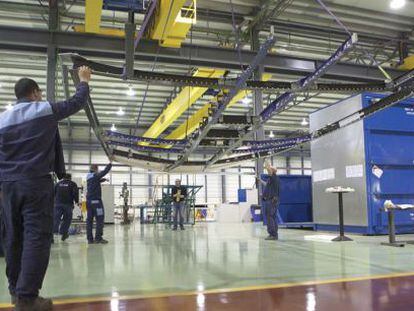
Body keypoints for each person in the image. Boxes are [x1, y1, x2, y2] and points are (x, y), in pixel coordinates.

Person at [0, 66, 91, 309]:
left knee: (13, 238)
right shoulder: (44, 109)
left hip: (7, 186)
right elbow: (77, 102)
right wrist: (83, 80)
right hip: (35, 183)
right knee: (36, 238)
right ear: (34, 93)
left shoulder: (2, 119)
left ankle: (15, 291)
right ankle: (27, 298)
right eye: (39, 94)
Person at [86, 162, 112, 244]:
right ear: (95, 169)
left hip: (89, 202)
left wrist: (103, 180)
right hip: (96, 203)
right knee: (100, 219)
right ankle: (98, 238)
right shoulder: (95, 175)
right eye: (97, 170)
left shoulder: (89, 176)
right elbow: (104, 172)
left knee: (89, 221)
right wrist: (110, 164)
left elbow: (95, 181)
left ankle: (90, 239)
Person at [54, 174, 79, 242]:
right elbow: (75, 193)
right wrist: (77, 201)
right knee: (67, 220)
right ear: (70, 178)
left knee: (56, 219)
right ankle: (63, 233)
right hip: (68, 205)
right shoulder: (73, 184)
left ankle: (52, 234)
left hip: (57, 204)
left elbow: (53, 193)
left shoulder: (58, 184)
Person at [258, 162, 280, 241]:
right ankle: (274, 234)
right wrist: (260, 180)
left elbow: (269, 170)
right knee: (272, 218)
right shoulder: (273, 180)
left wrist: (267, 163)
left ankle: (272, 234)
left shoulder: (273, 178)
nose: (269, 171)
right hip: (273, 201)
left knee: (270, 218)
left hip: (271, 201)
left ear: (273, 171)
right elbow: (266, 184)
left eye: (271, 170)